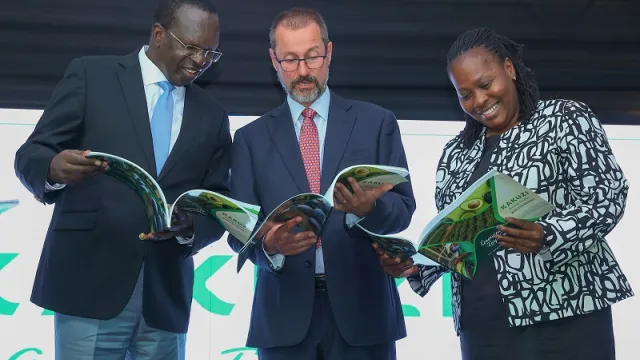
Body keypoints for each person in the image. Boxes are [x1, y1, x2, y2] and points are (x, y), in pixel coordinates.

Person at [375, 27, 633, 360]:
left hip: (565, 315)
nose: (479, 101)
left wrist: (548, 234)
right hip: (484, 328)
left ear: (509, 69)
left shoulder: (564, 118)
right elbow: (462, 240)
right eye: (465, 94)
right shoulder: (456, 152)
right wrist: (416, 265)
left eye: (485, 84)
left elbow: (608, 195)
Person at [13, 0, 230, 358]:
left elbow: (217, 199)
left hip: (165, 298)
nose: (200, 61)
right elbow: (30, 154)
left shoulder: (213, 116)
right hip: (88, 286)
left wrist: (193, 227)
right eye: (191, 47)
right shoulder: (90, 76)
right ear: (158, 35)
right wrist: (53, 168)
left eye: (210, 53)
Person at [227, 7, 416, 360]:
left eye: (312, 57)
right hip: (283, 319)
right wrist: (270, 244)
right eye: (290, 60)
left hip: (365, 314)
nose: (302, 71)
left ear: (329, 52)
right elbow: (239, 229)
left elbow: (403, 210)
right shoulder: (249, 139)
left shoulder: (376, 123)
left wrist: (369, 209)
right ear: (273, 60)